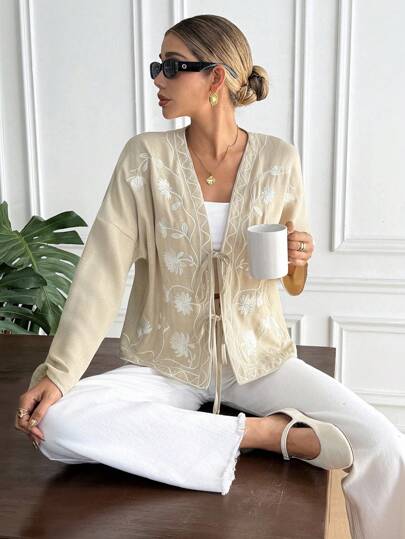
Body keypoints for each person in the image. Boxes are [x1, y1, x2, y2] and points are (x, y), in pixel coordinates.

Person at [15, 14, 405, 538]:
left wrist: (299, 257)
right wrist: (58, 374)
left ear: (216, 77)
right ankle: (263, 434)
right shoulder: (145, 158)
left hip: (259, 359)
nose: (158, 78)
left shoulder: (278, 159)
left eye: (172, 66)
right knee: (57, 423)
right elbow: (101, 272)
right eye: (158, 66)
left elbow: (290, 279)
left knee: (384, 445)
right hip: (166, 361)